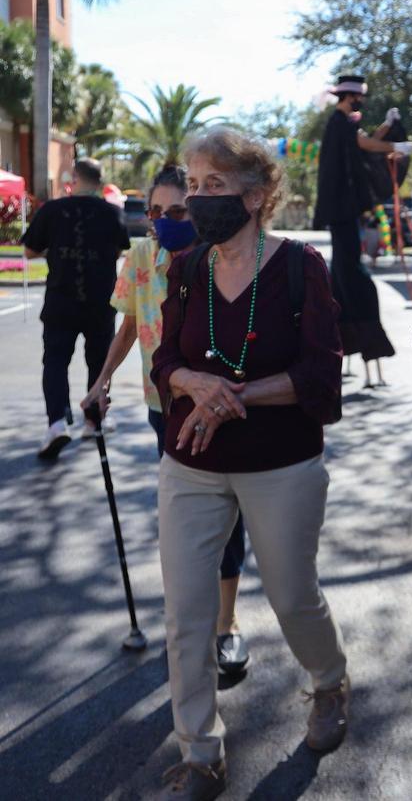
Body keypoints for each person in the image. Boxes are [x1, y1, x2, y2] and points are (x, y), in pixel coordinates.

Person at [150, 127, 348, 801]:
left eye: (215, 185)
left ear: (257, 195)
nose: (198, 199)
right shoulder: (185, 269)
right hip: (190, 463)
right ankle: (201, 755)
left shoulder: (300, 267)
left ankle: (329, 682)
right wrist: (191, 383)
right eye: (193, 185)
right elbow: (164, 361)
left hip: (281, 462)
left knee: (292, 596)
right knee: (187, 613)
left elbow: (320, 374)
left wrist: (232, 396)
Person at [80, 165, 251, 677]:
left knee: (227, 516)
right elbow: (130, 324)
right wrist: (101, 381)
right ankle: (189, 618)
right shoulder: (141, 257)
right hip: (164, 409)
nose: (163, 222)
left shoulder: (222, 257)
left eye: (177, 211)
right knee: (182, 521)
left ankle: (226, 623)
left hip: (219, 406)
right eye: (155, 212)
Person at [312, 75, 412, 365]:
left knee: (344, 269)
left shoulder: (343, 123)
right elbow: (367, 144)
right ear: (350, 97)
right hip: (341, 208)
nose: (361, 102)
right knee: (351, 272)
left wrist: (389, 128)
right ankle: (361, 332)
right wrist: (401, 145)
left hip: (343, 209)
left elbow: (366, 141)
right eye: (359, 98)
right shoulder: (339, 123)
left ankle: (349, 333)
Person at [22, 157, 130, 460]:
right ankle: (94, 421)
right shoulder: (112, 213)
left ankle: (57, 423)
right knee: (99, 362)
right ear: (100, 180)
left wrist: (57, 248)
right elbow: (120, 249)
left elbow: (29, 250)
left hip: (61, 301)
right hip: (100, 302)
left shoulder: (53, 210)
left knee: (55, 362)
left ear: (74, 178)